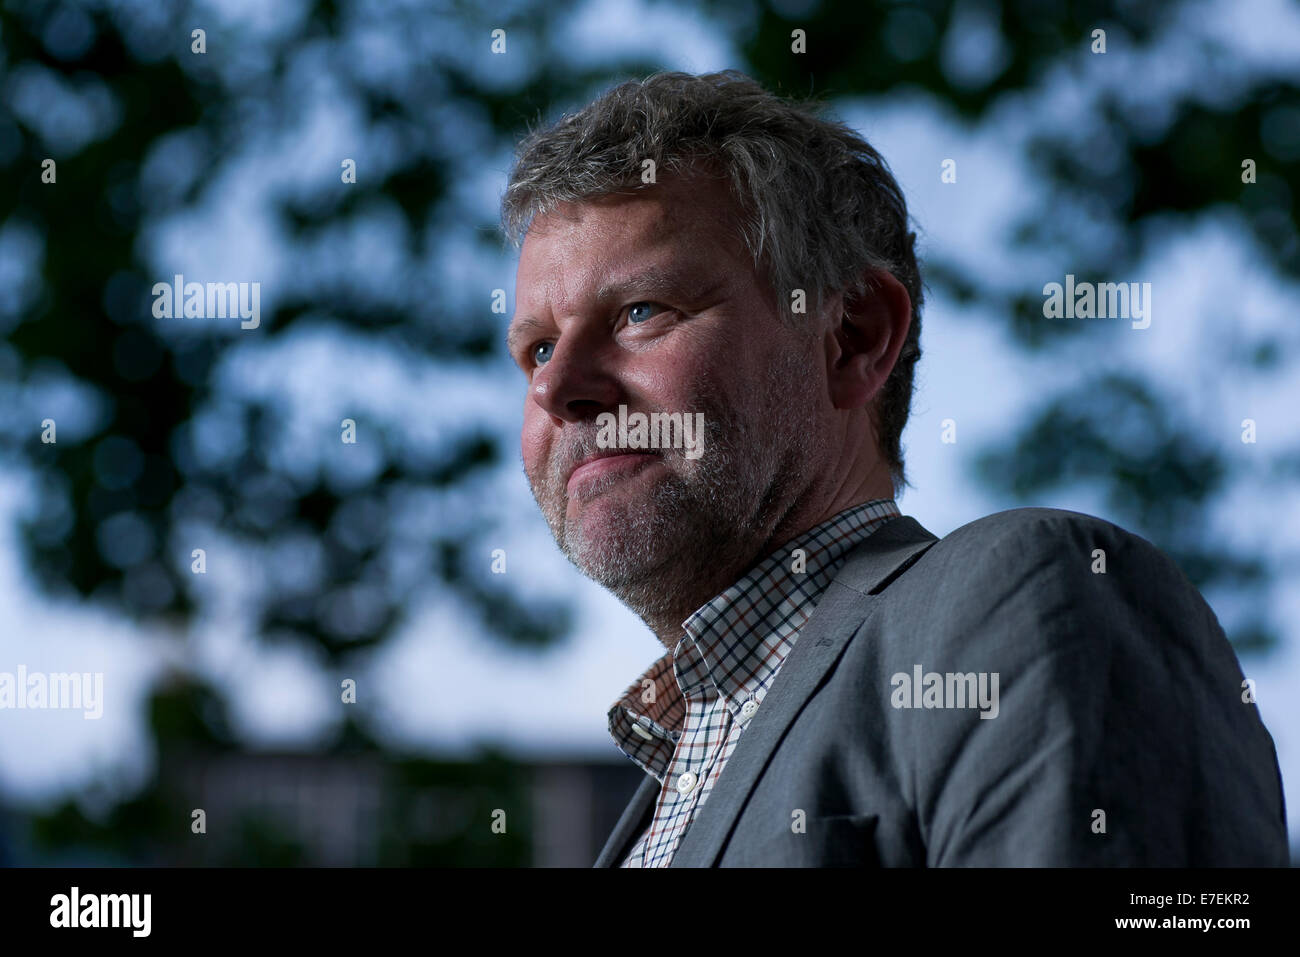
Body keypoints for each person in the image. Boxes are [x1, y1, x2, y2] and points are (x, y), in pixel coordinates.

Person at [500, 70, 1289, 867]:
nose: (556, 388)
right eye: (536, 347)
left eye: (642, 312)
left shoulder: (1029, 597)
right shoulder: (651, 801)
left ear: (853, 337)